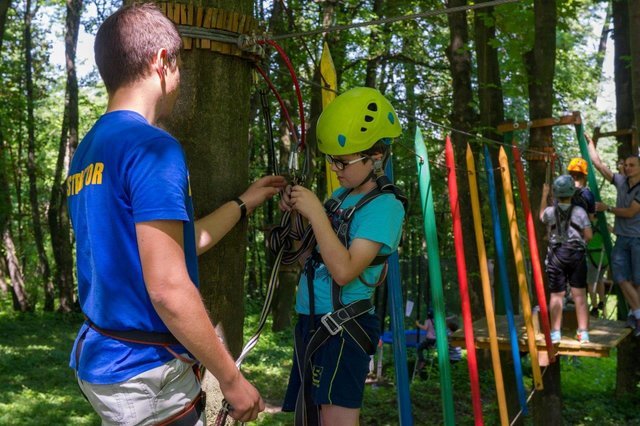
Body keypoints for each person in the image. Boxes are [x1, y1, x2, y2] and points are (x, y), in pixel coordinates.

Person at [66, 4, 285, 424]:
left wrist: (243, 203)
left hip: (105, 361)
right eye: (180, 64)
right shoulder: (153, 147)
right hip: (143, 374)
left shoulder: (90, 149)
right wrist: (232, 379)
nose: (180, 81)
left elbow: (175, 247)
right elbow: (167, 286)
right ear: (162, 62)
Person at [279, 87, 405, 425]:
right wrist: (296, 216)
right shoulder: (340, 196)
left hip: (344, 330)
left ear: (376, 156)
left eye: (343, 161)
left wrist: (317, 214)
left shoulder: (385, 208)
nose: (335, 168)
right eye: (331, 159)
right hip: (312, 323)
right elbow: (311, 260)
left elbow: (345, 271)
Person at [588, 135, 640, 336]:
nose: (627, 168)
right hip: (622, 238)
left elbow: (630, 212)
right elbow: (599, 165)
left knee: (637, 282)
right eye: (625, 165)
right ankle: (637, 315)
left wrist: (607, 207)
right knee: (620, 277)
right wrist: (590, 145)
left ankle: (634, 316)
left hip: (637, 239)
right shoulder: (621, 181)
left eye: (632, 165)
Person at [539, 175, 593, 344]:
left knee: (556, 295)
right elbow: (589, 235)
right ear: (572, 193)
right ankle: (583, 332)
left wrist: (544, 195)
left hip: (557, 255)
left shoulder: (550, 211)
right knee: (579, 295)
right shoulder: (580, 212)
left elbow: (541, 216)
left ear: (555, 193)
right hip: (576, 255)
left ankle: (555, 332)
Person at [566, 157, 605, 317]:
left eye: (578, 176)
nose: (575, 179)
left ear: (583, 177)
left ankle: (579, 305)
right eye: (573, 175)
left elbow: (591, 218)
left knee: (582, 276)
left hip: (579, 239)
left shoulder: (586, 195)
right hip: (568, 238)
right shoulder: (566, 191)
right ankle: (572, 301)